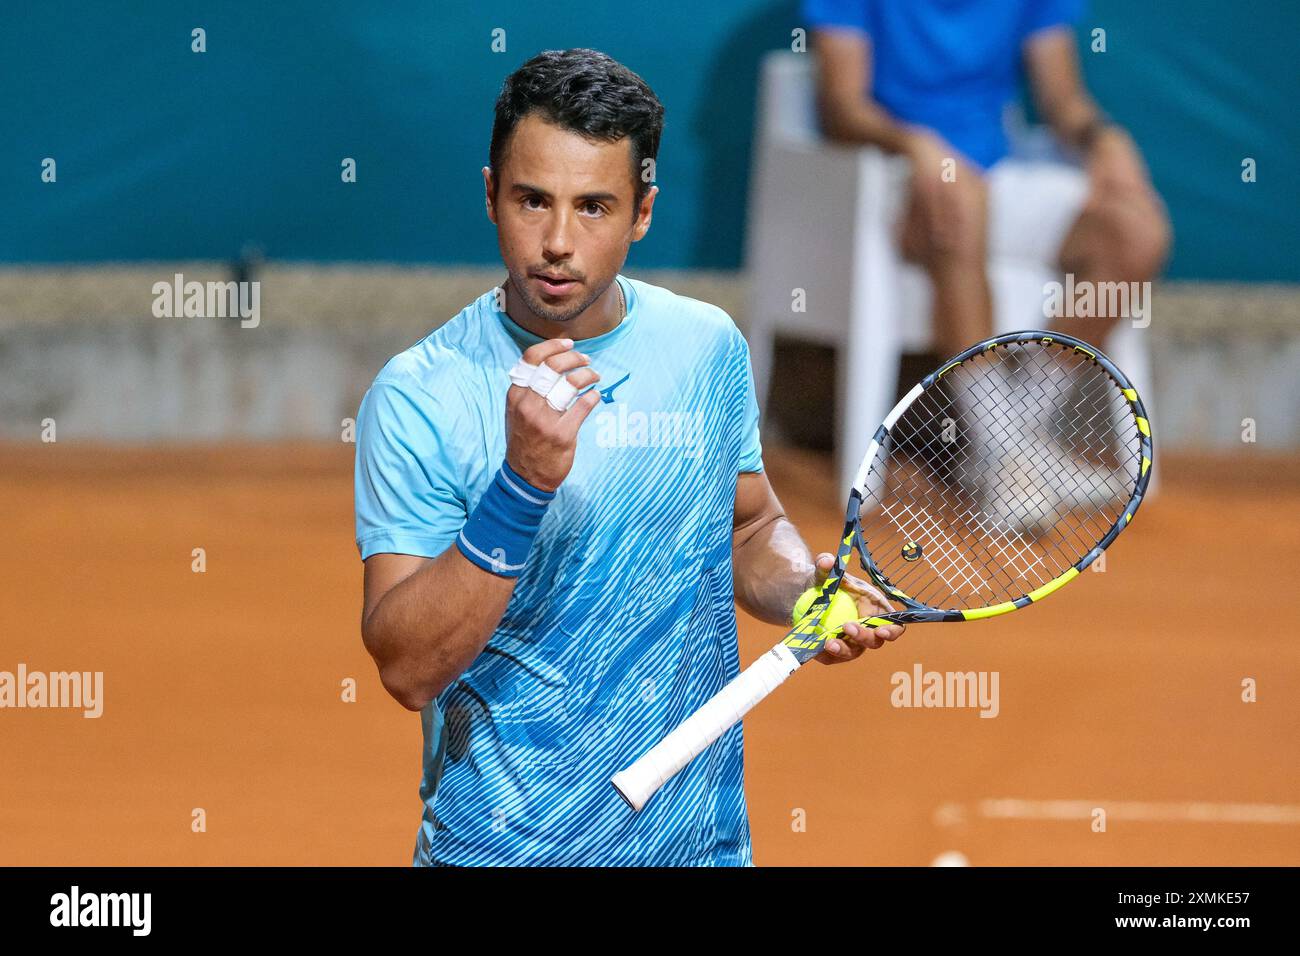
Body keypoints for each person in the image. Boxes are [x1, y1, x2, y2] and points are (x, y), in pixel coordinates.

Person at [353, 48, 905, 867]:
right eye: (531, 201)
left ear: (642, 212)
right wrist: (523, 483)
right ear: (489, 195)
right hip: (506, 845)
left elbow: (751, 526)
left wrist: (803, 592)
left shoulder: (705, 347)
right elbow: (407, 667)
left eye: (595, 207)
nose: (557, 243)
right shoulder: (418, 395)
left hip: (698, 843)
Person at [802, 0, 1172, 352]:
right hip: (885, 179)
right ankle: (991, 413)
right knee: (959, 197)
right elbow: (840, 108)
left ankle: (1025, 408)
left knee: (1137, 233)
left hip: (997, 176)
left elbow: (1063, 100)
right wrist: (915, 145)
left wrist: (1103, 139)